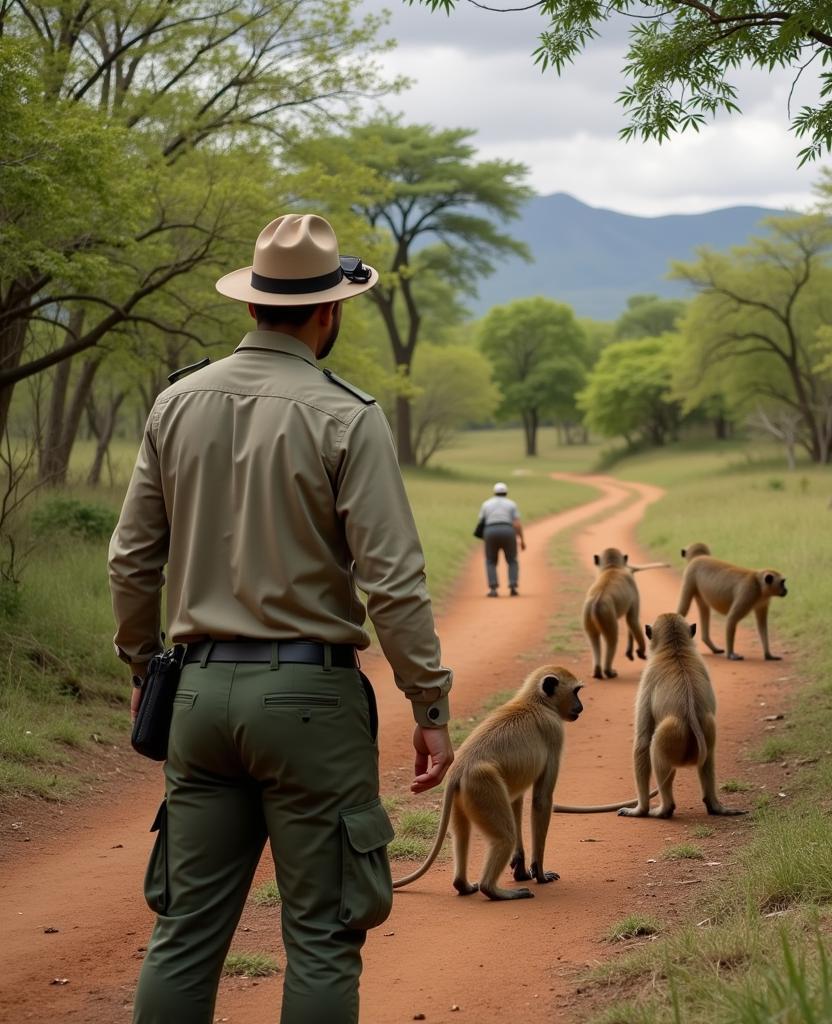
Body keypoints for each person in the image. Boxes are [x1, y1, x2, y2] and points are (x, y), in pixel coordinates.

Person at [108, 213, 455, 1024]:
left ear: (254, 304)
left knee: (186, 930)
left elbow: (130, 561)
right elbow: (393, 583)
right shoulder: (347, 415)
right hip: (311, 704)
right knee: (324, 934)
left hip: (194, 697)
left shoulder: (175, 403)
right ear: (330, 311)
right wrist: (429, 705)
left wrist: (141, 670)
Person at [478, 481, 526, 597]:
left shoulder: (486, 504)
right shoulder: (511, 504)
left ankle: (493, 588)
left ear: (494, 492)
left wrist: (485, 538)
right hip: (508, 531)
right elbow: (517, 523)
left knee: (490, 561)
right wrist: (522, 540)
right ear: (506, 492)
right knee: (512, 560)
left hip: (490, 531)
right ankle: (513, 586)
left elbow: (481, 522)